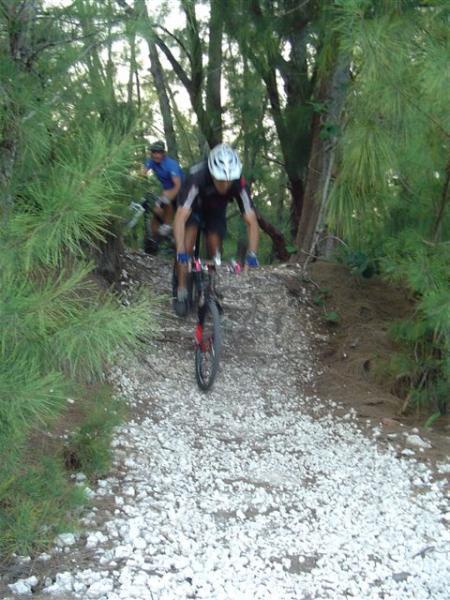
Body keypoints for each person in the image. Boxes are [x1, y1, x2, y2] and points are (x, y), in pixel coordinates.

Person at [173, 143, 259, 316]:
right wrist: (180, 249)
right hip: (192, 207)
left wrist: (252, 255)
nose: (225, 184)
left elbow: (252, 221)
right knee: (187, 246)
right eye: (220, 180)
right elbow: (180, 217)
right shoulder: (197, 177)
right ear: (212, 173)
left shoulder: (238, 182)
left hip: (216, 209)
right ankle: (181, 288)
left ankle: (211, 291)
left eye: (229, 180)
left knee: (215, 247)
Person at [141, 140, 184, 253]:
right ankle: (153, 244)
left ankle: (167, 226)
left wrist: (166, 198)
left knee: (165, 199)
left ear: (163, 153)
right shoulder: (152, 162)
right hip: (167, 190)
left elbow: (178, 185)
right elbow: (142, 173)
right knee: (156, 212)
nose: (156, 155)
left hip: (182, 191)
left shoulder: (171, 165)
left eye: (159, 152)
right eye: (154, 152)